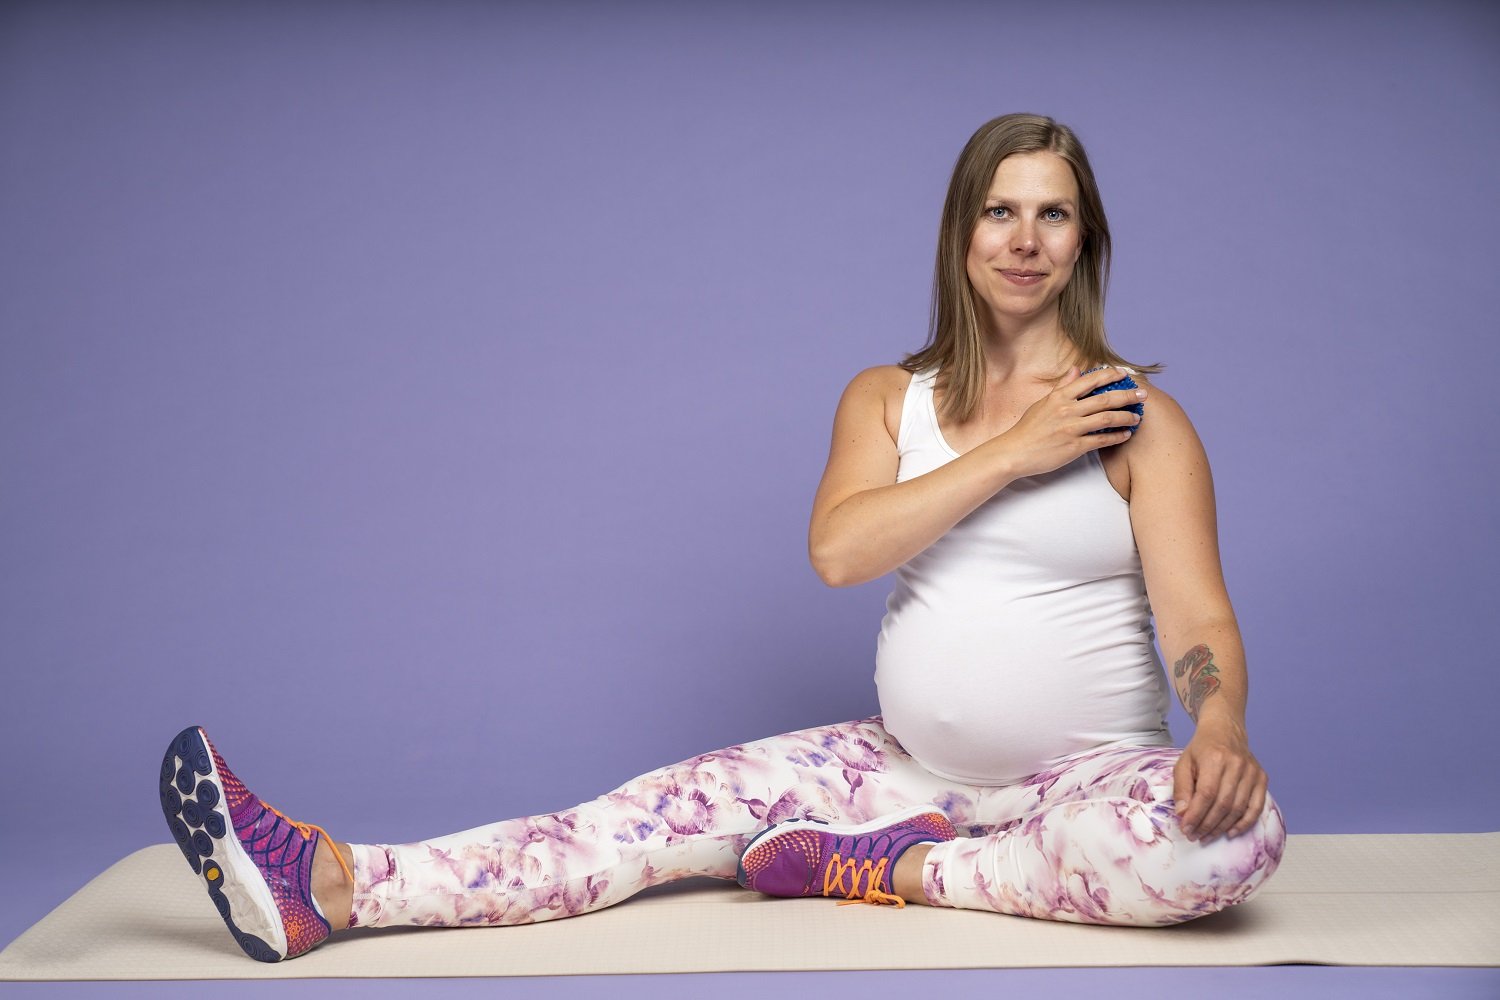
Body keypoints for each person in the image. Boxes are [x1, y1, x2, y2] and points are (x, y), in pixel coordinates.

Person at [159, 112, 1285, 963]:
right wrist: (1013, 451)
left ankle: (904, 872)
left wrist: (1221, 724)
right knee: (627, 825)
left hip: (1089, 782)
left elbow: (1198, 619)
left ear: (1085, 241)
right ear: (961, 233)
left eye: (1053, 214)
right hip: (893, 772)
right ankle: (333, 882)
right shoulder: (886, 399)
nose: (1025, 240)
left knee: (1235, 843)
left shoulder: (1140, 420)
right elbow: (840, 552)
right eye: (1001, 211)